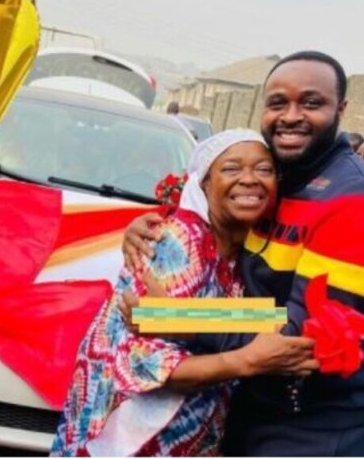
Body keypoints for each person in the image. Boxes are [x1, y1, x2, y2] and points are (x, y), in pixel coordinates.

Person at [121, 51, 364, 456]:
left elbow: (299, 338)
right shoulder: (277, 177)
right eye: (278, 102)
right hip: (251, 399)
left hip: (317, 424)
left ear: (342, 109)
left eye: (311, 103)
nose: (291, 116)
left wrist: (176, 316)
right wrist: (152, 225)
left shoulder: (358, 198)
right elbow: (212, 224)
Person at [51, 130, 318, 457]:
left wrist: (183, 318)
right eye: (231, 169)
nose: (249, 179)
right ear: (203, 183)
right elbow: (145, 362)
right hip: (129, 438)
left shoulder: (250, 249)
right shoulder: (178, 242)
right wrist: (246, 361)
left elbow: (264, 320)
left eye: (263, 170)